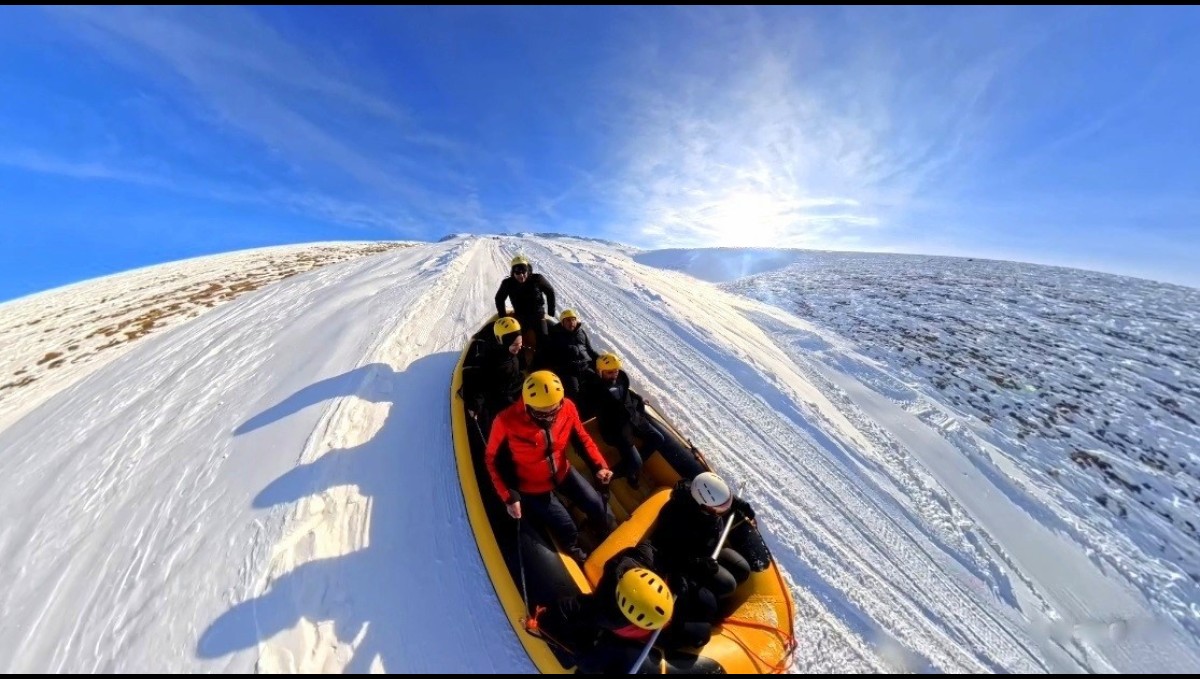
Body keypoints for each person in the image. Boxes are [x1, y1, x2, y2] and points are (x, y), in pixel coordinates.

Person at [485, 370, 614, 563]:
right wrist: (509, 497)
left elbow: (582, 438)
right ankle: (577, 554)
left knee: (597, 505)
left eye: (554, 410)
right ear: (527, 405)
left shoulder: (567, 407)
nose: (550, 417)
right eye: (542, 413)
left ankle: (603, 534)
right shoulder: (505, 421)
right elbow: (492, 459)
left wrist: (599, 465)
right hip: (532, 486)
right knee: (567, 528)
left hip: (562, 471)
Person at [531, 541, 717, 674]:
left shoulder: (645, 559)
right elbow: (565, 609)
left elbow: (658, 548)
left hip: (658, 618)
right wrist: (543, 622)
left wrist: (683, 572)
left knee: (702, 632)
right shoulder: (605, 612)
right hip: (638, 634)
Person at [584, 353, 704, 487]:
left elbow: (626, 394)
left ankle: (632, 466)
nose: (614, 375)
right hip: (617, 429)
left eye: (616, 371)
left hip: (633, 419)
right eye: (610, 372)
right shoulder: (596, 390)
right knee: (635, 462)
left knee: (657, 438)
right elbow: (599, 409)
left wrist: (638, 400)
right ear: (599, 372)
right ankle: (606, 477)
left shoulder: (621, 379)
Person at [649, 472, 755, 600]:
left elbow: (721, 496)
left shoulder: (699, 496)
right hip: (688, 563)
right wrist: (698, 564)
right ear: (704, 507)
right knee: (727, 585)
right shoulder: (676, 517)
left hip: (707, 549)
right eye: (719, 508)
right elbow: (671, 554)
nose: (723, 511)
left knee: (742, 570)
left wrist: (744, 506)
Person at [461, 317, 525, 436]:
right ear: (503, 343)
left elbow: (515, 374)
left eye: (520, 344)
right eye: (515, 345)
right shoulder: (491, 361)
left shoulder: (512, 354)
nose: (519, 347)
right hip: (498, 400)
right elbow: (481, 384)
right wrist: (475, 405)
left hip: (512, 393)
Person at [495, 254, 556, 355]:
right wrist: (503, 316)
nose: (521, 275)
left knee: (544, 340)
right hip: (521, 317)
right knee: (515, 341)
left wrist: (551, 311)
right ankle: (520, 362)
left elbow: (550, 291)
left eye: (524, 272)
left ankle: (539, 361)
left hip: (538, 316)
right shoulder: (508, 283)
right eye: (517, 272)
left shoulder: (537, 279)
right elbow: (499, 298)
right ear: (513, 272)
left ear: (528, 270)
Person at [546, 309, 600, 406]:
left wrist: (600, 360)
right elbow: (550, 354)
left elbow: (590, 350)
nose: (571, 323)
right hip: (568, 371)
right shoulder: (556, 335)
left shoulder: (581, 333)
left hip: (585, 367)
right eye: (568, 320)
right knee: (574, 393)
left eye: (573, 320)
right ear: (562, 323)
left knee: (599, 385)